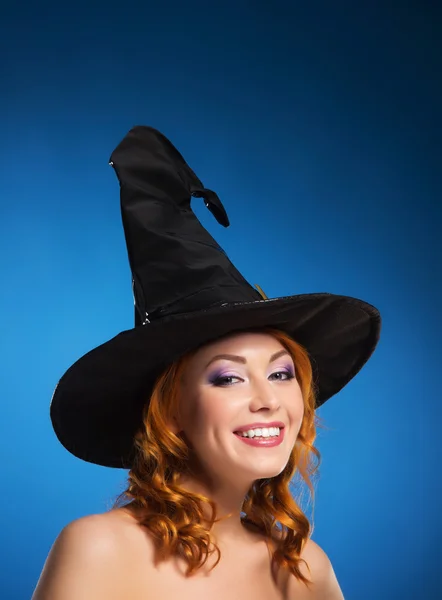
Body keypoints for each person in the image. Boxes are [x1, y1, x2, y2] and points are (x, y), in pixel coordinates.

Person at [32, 126, 381, 599]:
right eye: (229, 378)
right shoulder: (99, 547)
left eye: (281, 373)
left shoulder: (304, 568)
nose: (268, 400)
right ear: (171, 411)